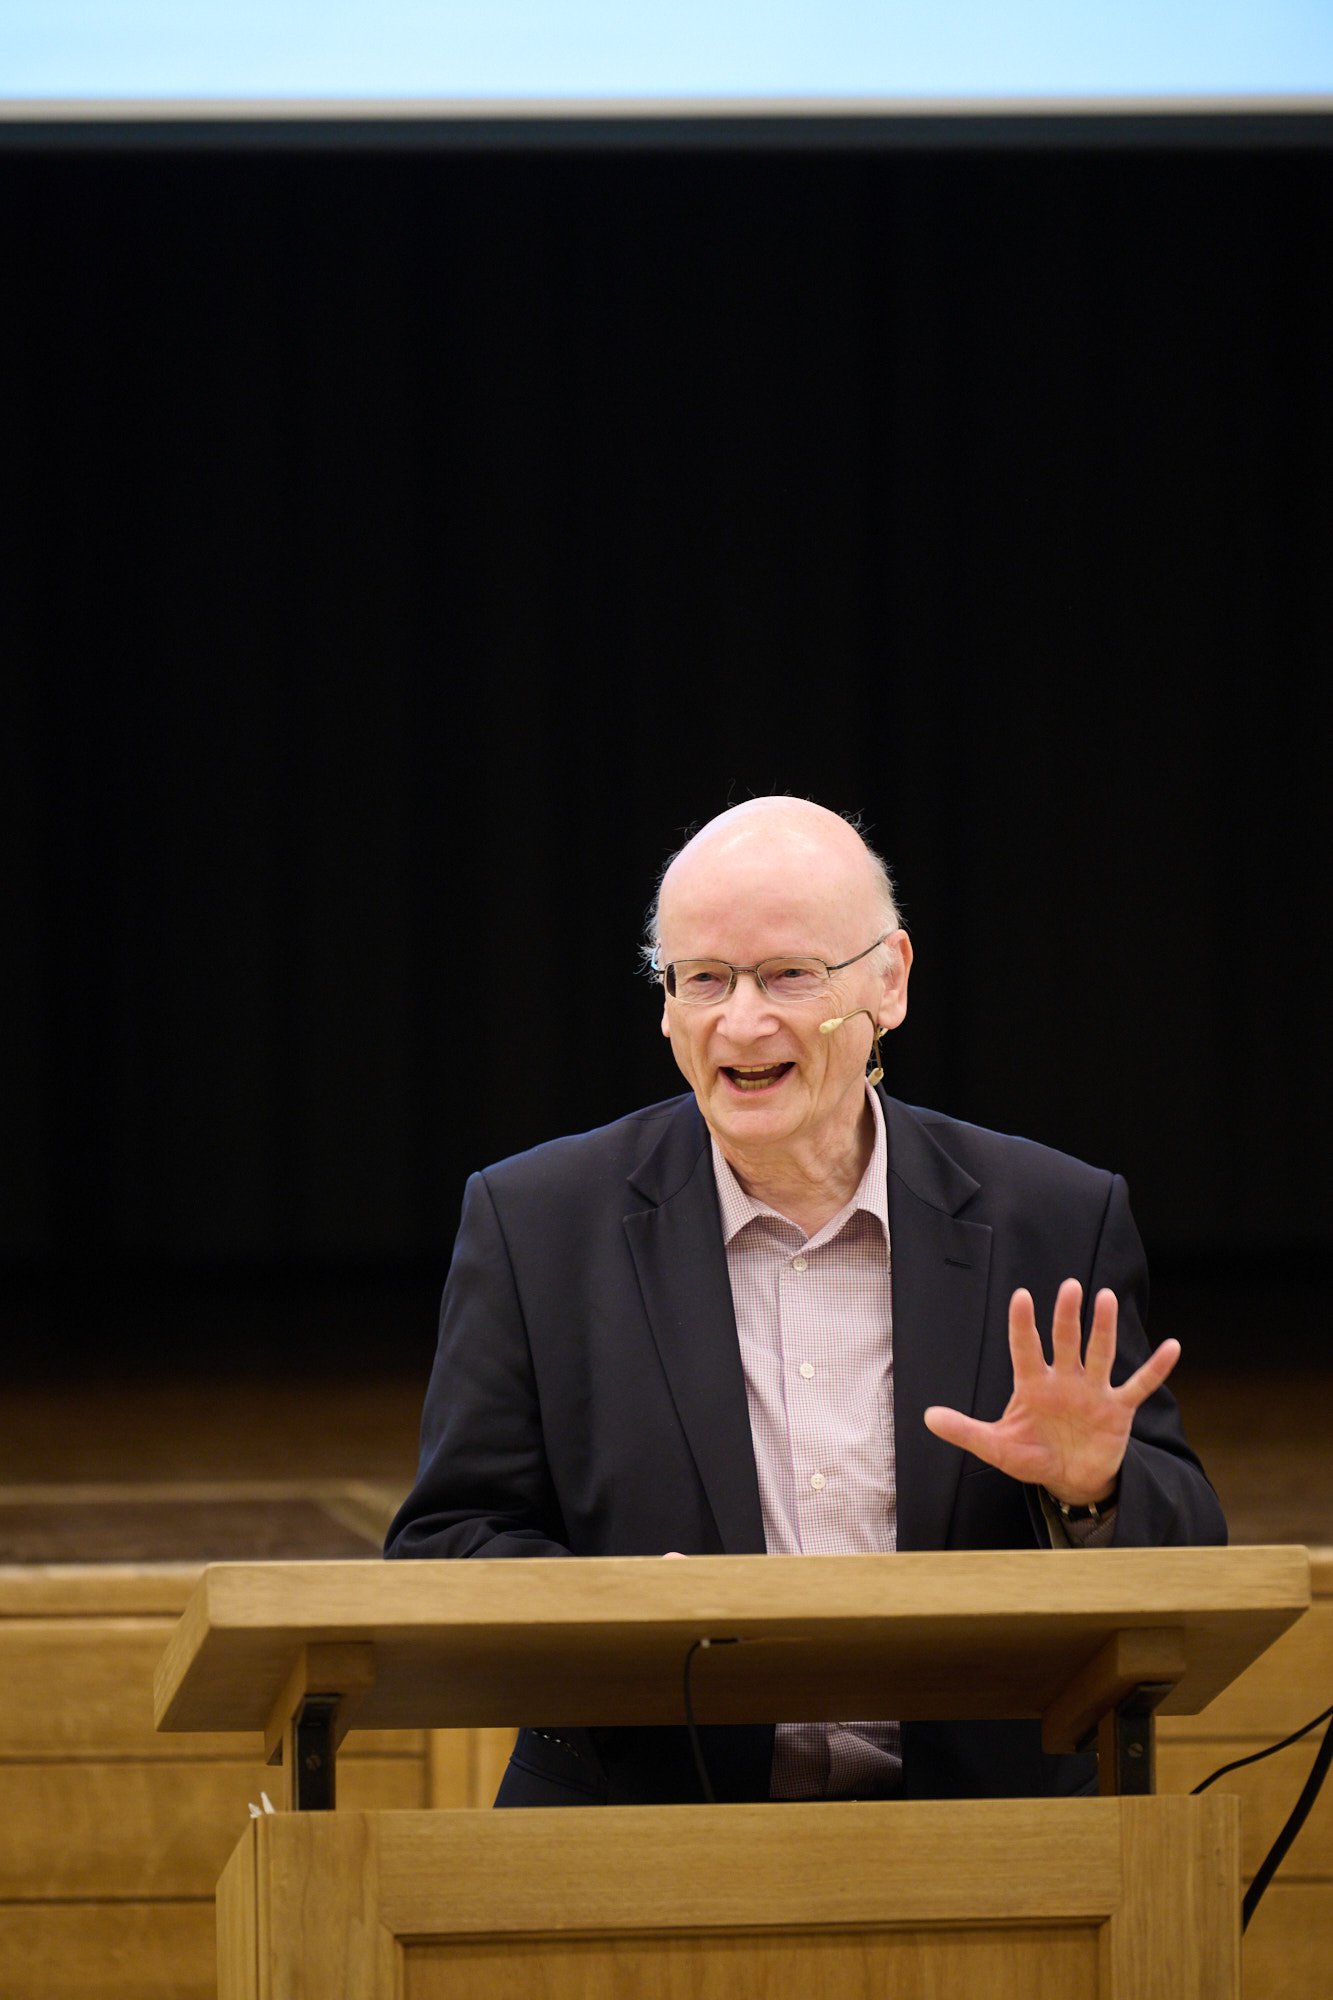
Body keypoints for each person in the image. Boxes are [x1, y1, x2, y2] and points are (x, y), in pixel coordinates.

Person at [385, 797, 1225, 1805]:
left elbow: (1190, 1552)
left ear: (890, 982)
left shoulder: (1052, 1216)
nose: (742, 1021)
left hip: (991, 1835)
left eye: (788, 974)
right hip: (643, 1827)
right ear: (664, 1002)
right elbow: (447, 1539)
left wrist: (1093, 1491)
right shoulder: (534, 1223)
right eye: (704, 978)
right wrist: (611, 1608)